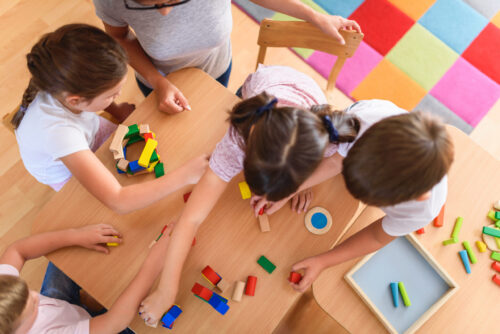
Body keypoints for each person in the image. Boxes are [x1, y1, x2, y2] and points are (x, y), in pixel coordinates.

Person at [138, 64, 364, 324]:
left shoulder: (327, 137)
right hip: (262, 91)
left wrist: (299, 188)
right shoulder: (235, 142)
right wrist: (167, 290)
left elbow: (333, 164)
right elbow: (190, 219)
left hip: (308, 109)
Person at [12, 24, 208, 213]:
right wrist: (184, 176)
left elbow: (90, 100)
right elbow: (118, 201)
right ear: (75, 100)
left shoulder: (59, 77)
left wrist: (116, 110)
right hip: (65, 171)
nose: (119, 94)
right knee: (103, 206)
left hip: (87, 132)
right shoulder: (58, 133)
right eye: (112, 95)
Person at [93, 0, 361, 113]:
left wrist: (315, 17)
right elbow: (117, 37)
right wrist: (156, 80)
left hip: (217, 65)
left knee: (209, 112)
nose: (164, 13)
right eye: (149, 4)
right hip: (157, 78)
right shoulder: (111, 1)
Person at [290, 110, 454, 292]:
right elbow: (335, 160)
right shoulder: (364, 119)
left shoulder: (423, 211)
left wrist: (323, 261)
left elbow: (377, 237)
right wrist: (293, 186)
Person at [0, 223, 175, 333]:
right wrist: (154, 264)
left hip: (63, 310)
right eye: (31, 305)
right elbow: (114, 323)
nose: (35, 296)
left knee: (64, 256)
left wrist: (76, 235)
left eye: (28, 291)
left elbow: (17, 250)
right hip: (88, 327)